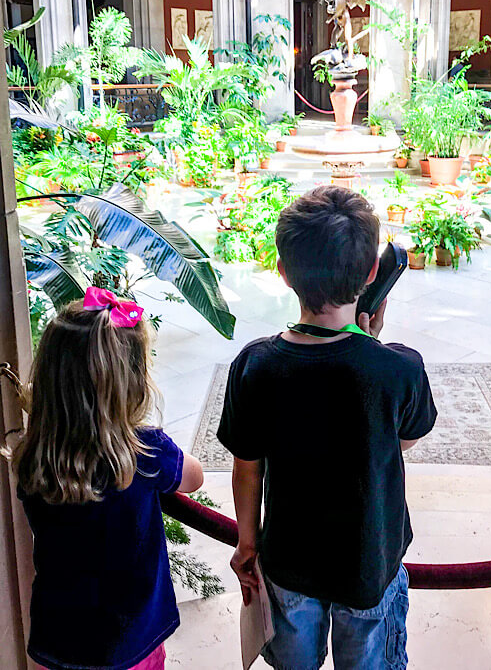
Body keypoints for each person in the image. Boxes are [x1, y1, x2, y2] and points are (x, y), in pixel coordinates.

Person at [218, 186, 437, 670]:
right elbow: (405, 437)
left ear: (283, 272)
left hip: (288, 564)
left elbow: (247, 468)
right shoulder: (398, 369)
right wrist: (368, 341)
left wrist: (247, 544)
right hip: (369, 565)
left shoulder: (255, 365)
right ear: (372, 273)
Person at [10, 287, 204, 670]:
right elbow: (193, 477)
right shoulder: (145, 452)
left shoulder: (33, 458)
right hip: (133, 643)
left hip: (59, 641)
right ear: (131, 383)